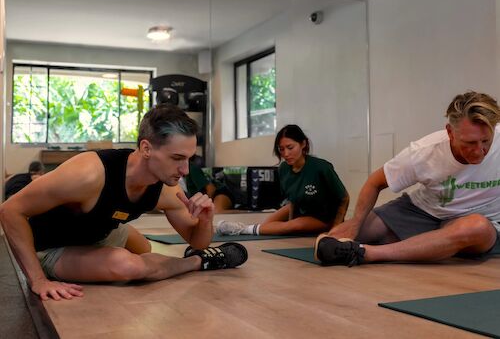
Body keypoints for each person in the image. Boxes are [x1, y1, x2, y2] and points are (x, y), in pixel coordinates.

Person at [0, 106, 247, 301]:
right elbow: (10, 210)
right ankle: (197, 262)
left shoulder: (164, 189)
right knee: (126, 265)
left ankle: (167, 254)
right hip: (51, 245)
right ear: (146, 148)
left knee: (146, 251)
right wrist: (37, 280)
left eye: (189, 159)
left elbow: (197, 241)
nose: (185, 170)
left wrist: (205, 220)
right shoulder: (89, 174)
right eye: (177, 158)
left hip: (99, 232)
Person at [314, 91, 500, 266]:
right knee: (332, 241)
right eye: (469, 143)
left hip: (477, 221)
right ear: (450, 132)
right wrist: (354, 224)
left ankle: (369, 253)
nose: (479, 150)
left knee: (477, 227)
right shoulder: (425, 151)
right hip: (422, 212)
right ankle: (425, 243)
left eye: (486, 141)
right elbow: (375, 182)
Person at [216, 124, 349, 235]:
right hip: (301, 209)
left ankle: (242, 229)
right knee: (268, 226)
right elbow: (293, 201)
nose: (286, 154)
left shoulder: (321, 167)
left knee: (293, 225)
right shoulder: (284, 169)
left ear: (303, 144)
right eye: (281, 149)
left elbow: (344, 198)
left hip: (324, 218)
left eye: (290, 148)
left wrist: (335, 229)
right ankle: (250, 227)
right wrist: (289, 227)